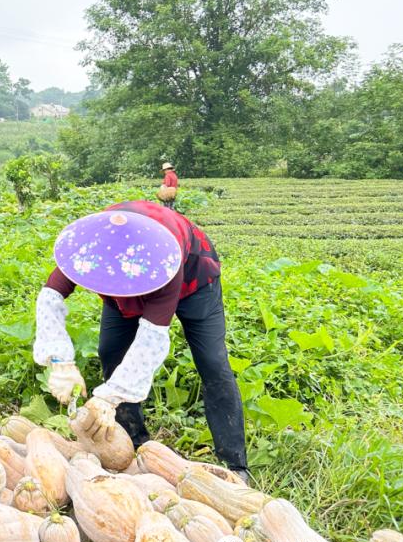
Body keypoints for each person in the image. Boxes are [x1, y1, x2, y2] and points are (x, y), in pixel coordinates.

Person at [33, 200, 249, 482]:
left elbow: (150, 340)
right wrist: (60, 362)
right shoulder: (90, 245)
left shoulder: (164, 261)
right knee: (110, 351)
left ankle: (235, 465)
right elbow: (51, 295)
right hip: (125, 288)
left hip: (194, 284)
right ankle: (131, 444)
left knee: (212, 361)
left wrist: (109, 398)